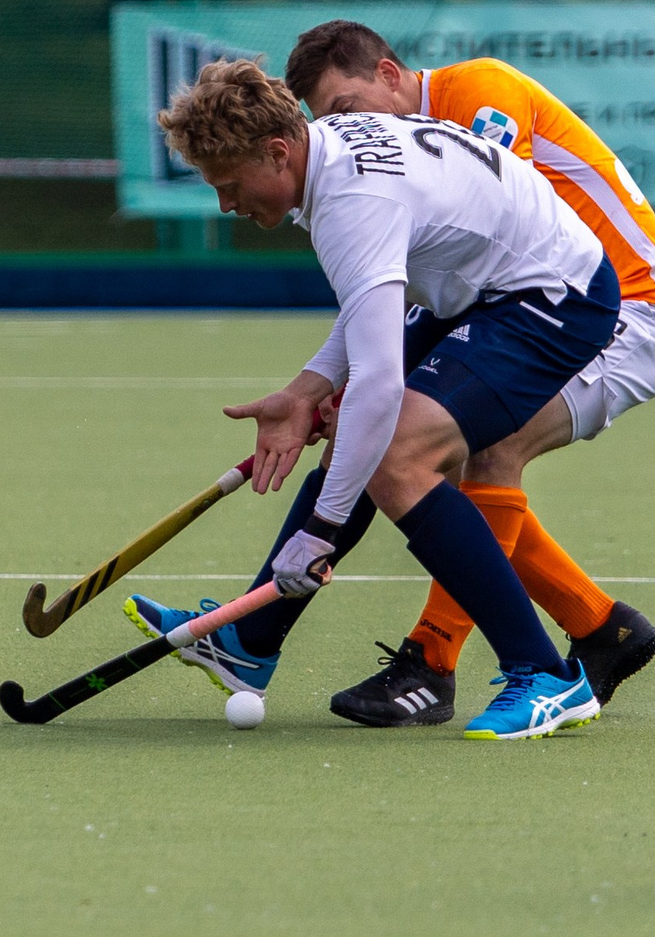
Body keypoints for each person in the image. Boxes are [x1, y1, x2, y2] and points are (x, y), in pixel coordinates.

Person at [129, 59, 611, 741]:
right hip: (475, 286)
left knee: (396, 454)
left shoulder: (352, 198)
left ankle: (547, 674)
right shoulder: (326, 154)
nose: (227, 205)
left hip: (552, 296)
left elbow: (380, 383)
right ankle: (249, 641)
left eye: (231, 185)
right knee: (365, 435)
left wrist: (320, 531)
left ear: (276, 150)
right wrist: (307, 389)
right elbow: (371, 299)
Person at [280, 21, 655, 726]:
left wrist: (368, 376)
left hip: (631, 307)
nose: (343, 130)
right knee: (428, 442)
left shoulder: (480, 93)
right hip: (546, 303)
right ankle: (601, 627)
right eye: (328, 122)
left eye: (347, 107)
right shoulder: (401, 142)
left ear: (388, 71)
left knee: (475, 447)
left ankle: (434, 661)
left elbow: (494, 253)